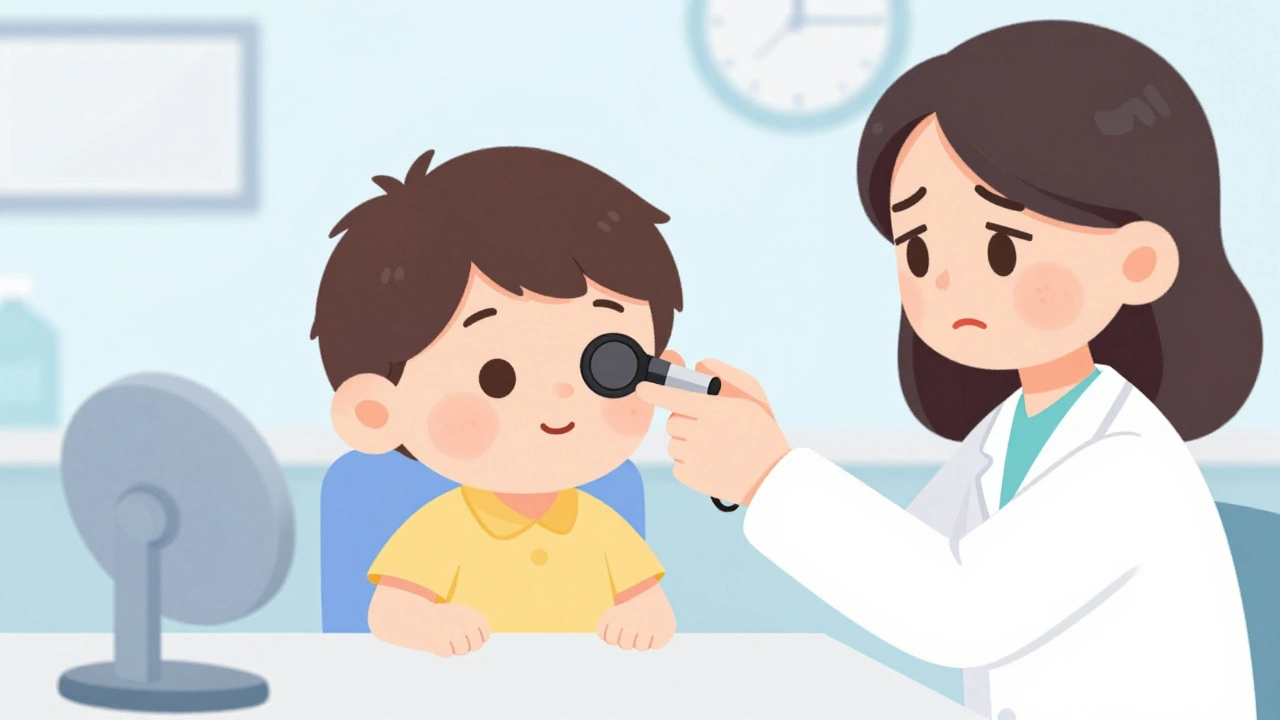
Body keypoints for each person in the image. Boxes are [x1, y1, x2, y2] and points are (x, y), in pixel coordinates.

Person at [638, 20, 1262, 720]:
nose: (947, 282)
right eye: (919, 249)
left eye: (1002, 248)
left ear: (1137, 262)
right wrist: (754, 456)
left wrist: (768, 475)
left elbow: (955, 606)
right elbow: (905, 557)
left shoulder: (1130, 464)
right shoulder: (1007, 430)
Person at [310, 146, 684, 656]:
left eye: (605, 364)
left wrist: (642, 619)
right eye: (497, 377)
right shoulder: (443, 529)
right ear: (376, 413)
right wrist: (430, 626)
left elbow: (649, 606)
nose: (561, 394)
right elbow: (389, 613)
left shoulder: (601, 528)